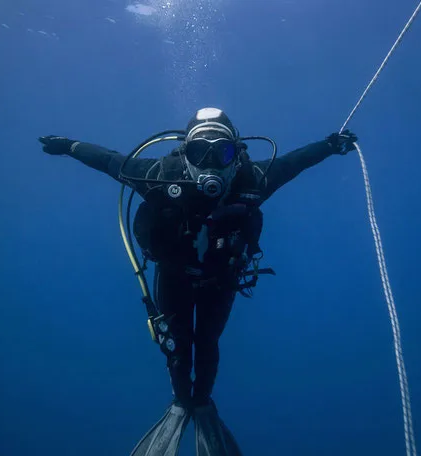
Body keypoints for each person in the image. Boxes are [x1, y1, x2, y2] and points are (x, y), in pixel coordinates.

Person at [38, 107, 357, 456]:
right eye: (197, 153)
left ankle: (200, 401)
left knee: (207, 342)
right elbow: (109, 161)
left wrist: (329, 145)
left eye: (222, 152)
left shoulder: (253, 180)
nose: (210, 165)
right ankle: (181, 401)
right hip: (174, 276)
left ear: (236, 155)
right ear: (184, 154)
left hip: (221, 278)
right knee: (178, 344)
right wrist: (69, 146)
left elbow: (296, 161)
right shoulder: (159, 176)